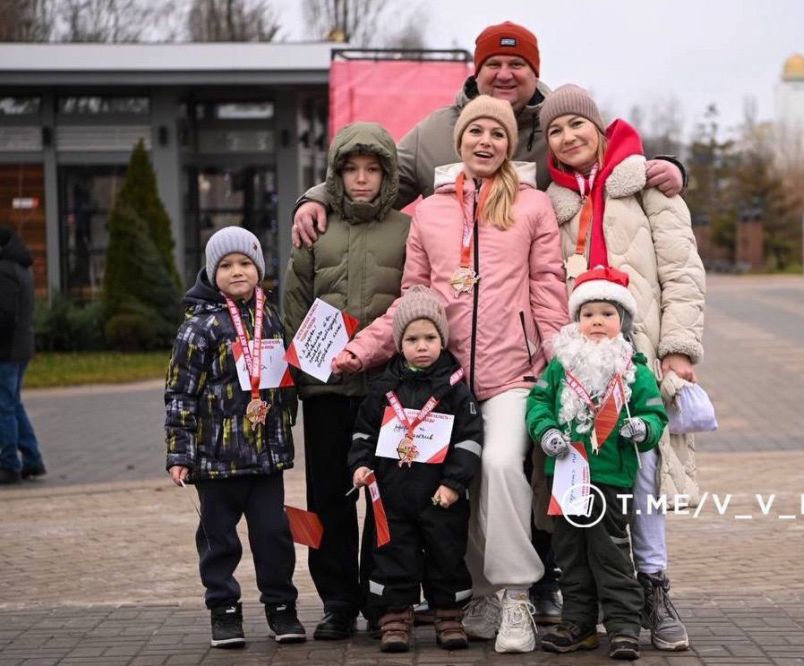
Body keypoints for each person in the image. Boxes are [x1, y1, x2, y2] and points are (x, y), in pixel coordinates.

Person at [334, 95, 567, 653]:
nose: (485, 141)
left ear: (510, 144)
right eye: (475, 131)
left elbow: (550, 291)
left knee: (499, 464)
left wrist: (563, 361)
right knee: (455, 487)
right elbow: (413, 301)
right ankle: (481, 591)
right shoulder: (431, 212)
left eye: (497, 133)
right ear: (460, 140)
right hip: (444, 381)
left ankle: (515, 596)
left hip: (515, 372)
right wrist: (361, 349)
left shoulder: (533, 207)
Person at [540, 84, 706, 651]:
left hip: (643, 355)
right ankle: (589, 605)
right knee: (591, 480)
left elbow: (683, 271)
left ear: (600, 128)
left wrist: (679, 348)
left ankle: (654, 588)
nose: (568, 138)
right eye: (556, 131)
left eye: (577, 125)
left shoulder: (646, 189)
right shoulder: (550, 202)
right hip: (580, 362)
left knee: (644, 478)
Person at [290, 21, 687, 249]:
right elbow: (377, 177)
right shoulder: (434, 132)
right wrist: (316, 199)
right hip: (458, 302)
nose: (504, 74)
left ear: (535, 72)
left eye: (517, 63)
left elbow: (614, 165)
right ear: (477, 72)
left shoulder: (560, 127)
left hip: (546, 304)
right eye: (493, 63)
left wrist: (671, 169)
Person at [282, 122, 410, 639]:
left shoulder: (406, 229)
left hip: (387, 390)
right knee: (326, 499)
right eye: (351, 169)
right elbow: (293, 302)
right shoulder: (314, 229)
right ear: (335, 175)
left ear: (387, 175)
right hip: (326, 391)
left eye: (372, 169)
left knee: (385, 496)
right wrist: (299, 375)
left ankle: (381, 600)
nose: (361, 179)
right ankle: (336, 600)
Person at [165, 226, 305, 649]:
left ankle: (281, 608)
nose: (237, 271)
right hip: (215, 459)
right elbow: (179, 392)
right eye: (226, 265)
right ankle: (223, 610)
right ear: (212, 273)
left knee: (274, 537)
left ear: (259, 269)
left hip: (264, 460)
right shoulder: (199, 327)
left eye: (246, 263)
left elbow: (282, 381)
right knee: (218, 541)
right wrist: (180, 452)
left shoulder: (272, 316)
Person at [526, 266, 668, 660]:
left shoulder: (634, 369)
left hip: (610, 476)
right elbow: (537, 404)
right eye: (588, 315)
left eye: (607, 313)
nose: (597, 322)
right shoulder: (561, 365)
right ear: (577, 320)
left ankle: (623, 627)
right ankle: (579, 625)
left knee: (611, 554)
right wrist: (546, 431)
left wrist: (643, 427)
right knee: (570, 556)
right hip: (566, 476)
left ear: (622, 321)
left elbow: (656, 415)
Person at [348, 286, 484, 653]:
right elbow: (363, 432)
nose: (421, 346)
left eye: (430, 337)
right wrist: (360, 466)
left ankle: (449, 616)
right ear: (398, 343)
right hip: (393, 495)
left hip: (441, 497)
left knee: (446, 554)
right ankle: (395, 617)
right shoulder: (383, 387)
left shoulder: (456, 389)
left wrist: (455, 483)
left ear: (442, 340)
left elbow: (470, 440)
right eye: (412, 339)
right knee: (393, 554)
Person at [0, 225, 45, 485]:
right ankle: (32, 458)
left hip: (7, 349)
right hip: (21, 346)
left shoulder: (5, 270)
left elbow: (5, 316)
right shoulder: (21, 266)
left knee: (5, 406)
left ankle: (9, 464)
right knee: (13, 403)